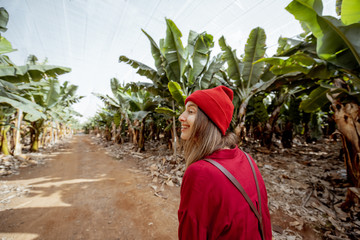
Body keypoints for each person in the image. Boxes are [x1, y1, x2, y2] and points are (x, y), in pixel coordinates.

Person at [178, 85, 272, 239]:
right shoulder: (246, 159)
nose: (181, 117)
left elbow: (191, 233)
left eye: (191, 111)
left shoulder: (200, 172)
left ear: (209, 120)